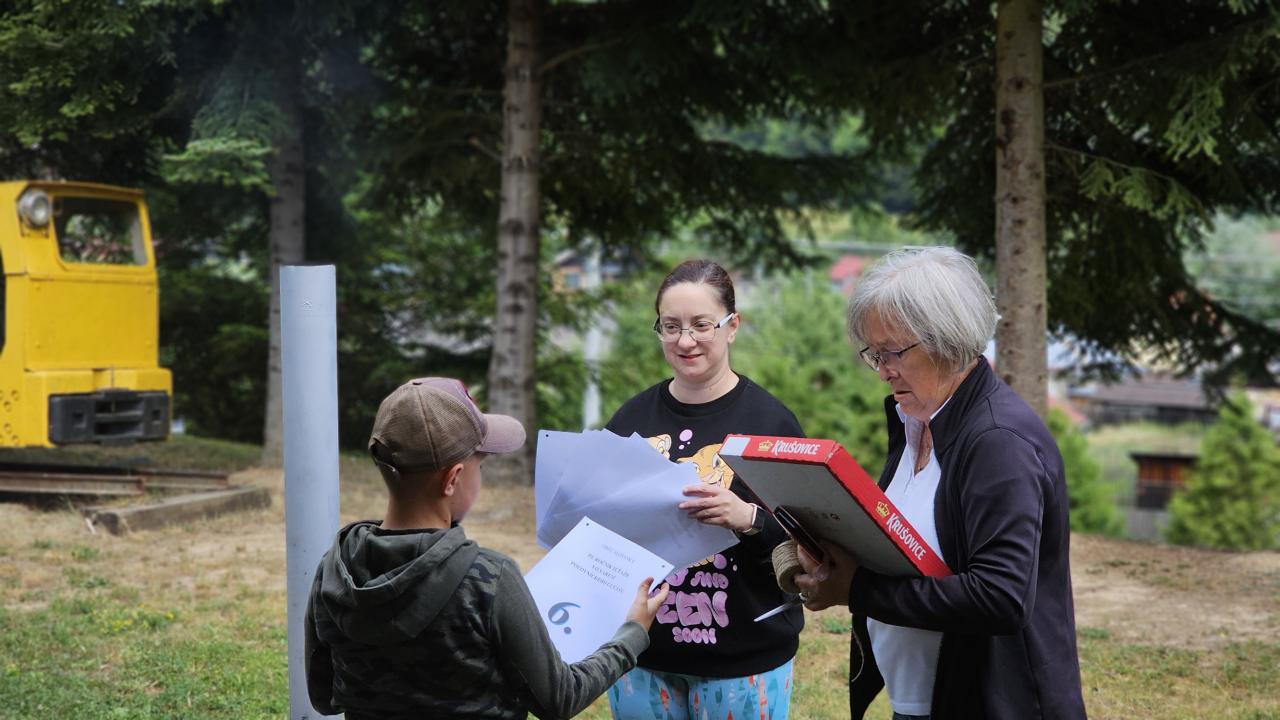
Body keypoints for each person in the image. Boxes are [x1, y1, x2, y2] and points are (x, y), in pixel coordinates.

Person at [793, 247, 1087, 720]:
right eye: (874, 354)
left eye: (893, 352)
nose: (883, 370)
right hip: (922, 702)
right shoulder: (918, 421)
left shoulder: (998, 442)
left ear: (947, 339)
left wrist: (857, 589)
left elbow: (1000, 597)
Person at [305, 376, 670, 720]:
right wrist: (632, 633)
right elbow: (559, 698)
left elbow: (322, 696)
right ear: (453, 479)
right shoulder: (490, 578)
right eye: (479, 466)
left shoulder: (335, 569)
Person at [605, 259, 804, 719]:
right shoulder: (631, 421)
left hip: (745, 659)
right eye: (671, 326)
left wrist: (748, 519)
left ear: (732, 326)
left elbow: (812, 545)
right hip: (642, 655)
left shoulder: (771, 424)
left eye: (701, 325)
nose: (685, 340)